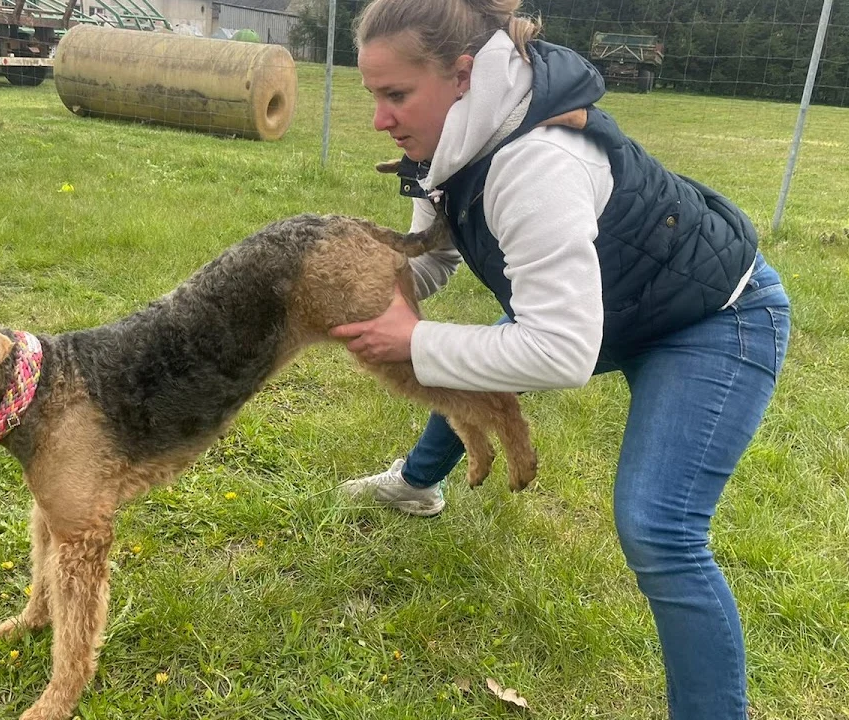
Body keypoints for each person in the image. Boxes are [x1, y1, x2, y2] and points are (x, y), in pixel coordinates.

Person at [329, 1, 791, 718]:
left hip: (714, 314)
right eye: (372, 96)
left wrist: (412, 341)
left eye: (395, 95)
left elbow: (560, 350)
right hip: (615, 300)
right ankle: (416, 485)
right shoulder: (454, 136)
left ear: (460, 74)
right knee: (478, 358)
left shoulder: (534, 160)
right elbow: (430, 259)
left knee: (659, 527)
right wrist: (351, 293)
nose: (379, 120)